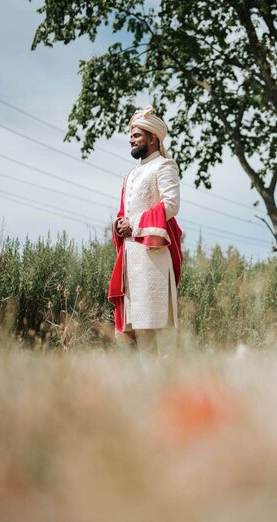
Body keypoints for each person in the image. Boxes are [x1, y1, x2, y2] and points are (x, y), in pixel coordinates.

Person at [107, 106, 183, 356]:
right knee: (138, 334)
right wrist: (119, 225)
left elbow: (171, 205)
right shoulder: (130, 174)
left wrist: (135, 223)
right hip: (132, 261)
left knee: (159, 332)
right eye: (130, 134)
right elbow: (124, 213)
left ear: (153, 138)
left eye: (136, 135)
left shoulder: (164, 165)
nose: (131, 139)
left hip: (154, 260)